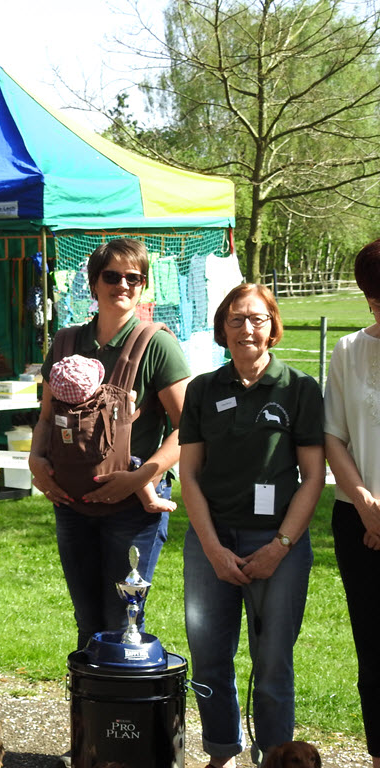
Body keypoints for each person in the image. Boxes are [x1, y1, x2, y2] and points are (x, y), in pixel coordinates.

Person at [179, 283, 324, 767]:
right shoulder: (203, 389)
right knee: (208, 658)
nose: (247, 328)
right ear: (222, 328)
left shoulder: (299, 388)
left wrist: (280, 546)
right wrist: (212, 548)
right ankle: (222, 752)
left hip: (279, 542)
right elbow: (189, 474)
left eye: (257, 318)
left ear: (273, 326)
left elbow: (313, 476)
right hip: (211, 541)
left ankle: (275, 758)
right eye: (236, 319)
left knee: (273, 662)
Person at [29, 238, 190, 649]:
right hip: (72, 502)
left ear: (144, 285)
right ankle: (89, 694)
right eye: (112, 276)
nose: (123, 285)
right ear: (93, 283)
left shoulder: (156, 344)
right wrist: (35, 461)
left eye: (134, 278)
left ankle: (123, 693)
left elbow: (189, 429)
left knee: (123, 621)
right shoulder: (66, 343)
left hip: (132, 509)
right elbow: (46, 418)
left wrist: (141, 478)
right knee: (87, 620)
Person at [324, 239, 380, 768]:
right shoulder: (348, 350)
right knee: (373, 650)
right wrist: (365, 504)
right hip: (357, 521)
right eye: (376, 300)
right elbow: (333, 436)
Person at [47, 354, 175, 514]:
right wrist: (131, 398)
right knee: (135, 465)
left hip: (71, 465)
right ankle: (150, 501)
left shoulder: (59, 408)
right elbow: (128, 410)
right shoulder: (105, 402)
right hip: (106, 463)